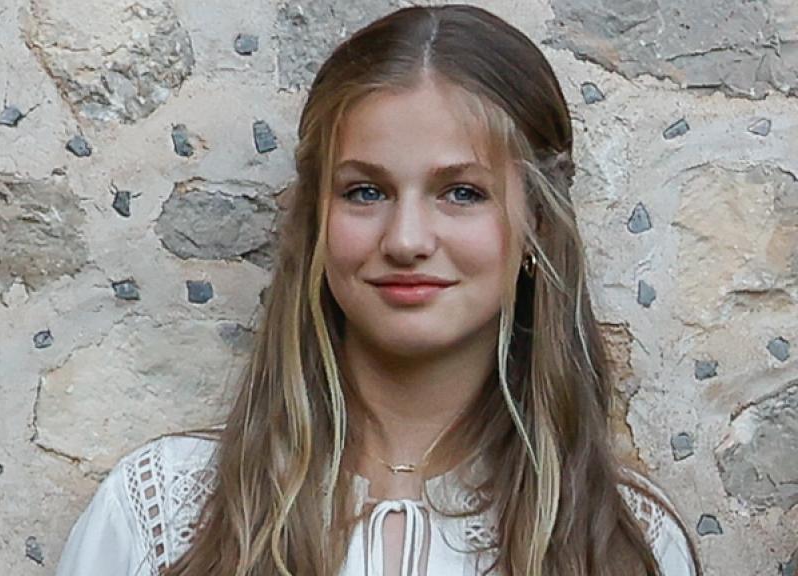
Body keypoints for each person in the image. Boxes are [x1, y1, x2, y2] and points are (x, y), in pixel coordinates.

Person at [55, 5, 702, 575]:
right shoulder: (165, 513)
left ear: (534, 220)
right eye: (366, 191)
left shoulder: (621, 544)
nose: (407, 239)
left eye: (462, 192)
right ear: (316, 218)